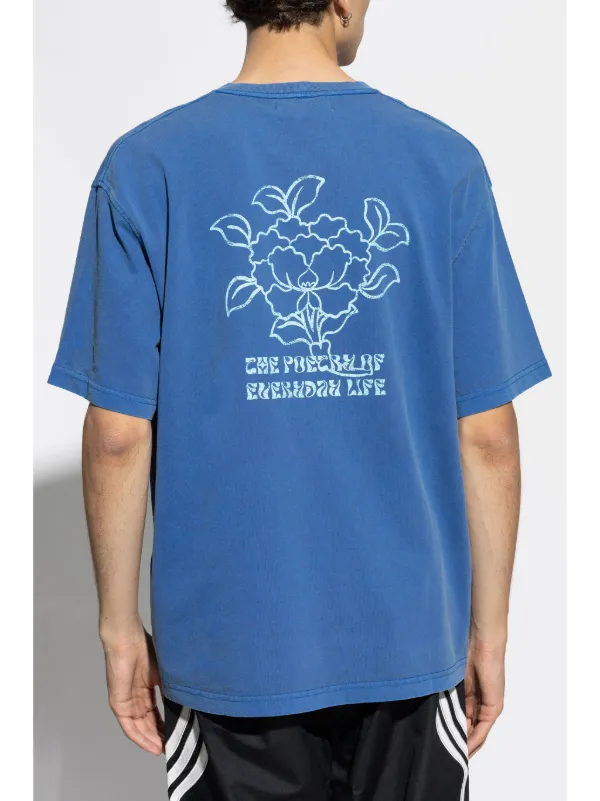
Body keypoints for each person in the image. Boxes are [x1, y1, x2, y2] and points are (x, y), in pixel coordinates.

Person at [48, 1, 551, 798]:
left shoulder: (145, 167)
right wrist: (489, 630)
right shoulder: (445, 164)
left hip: (228, 650)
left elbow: (116, 433)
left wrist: (117, 626)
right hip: (410, 642)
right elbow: (488, 433)